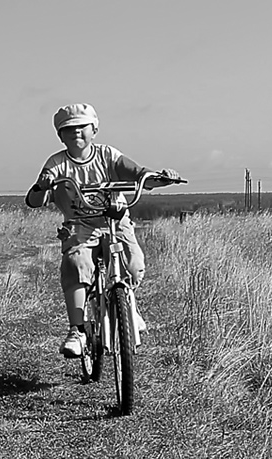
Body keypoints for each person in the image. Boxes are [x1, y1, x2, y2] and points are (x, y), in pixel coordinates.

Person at [25, 103, 179, 359]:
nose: (76, 133)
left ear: (94, 129)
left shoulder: (108, 155)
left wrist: (161, 178)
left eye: (82, 127)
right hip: (79, 226)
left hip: (114, 222)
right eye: (68, 129)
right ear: (60, 135)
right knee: (77, 264)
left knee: (133, 265)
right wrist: (42, 187)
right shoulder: (57, 163)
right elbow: (34, 199)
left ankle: (128, 307)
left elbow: (139, 174)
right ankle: (77, 330)